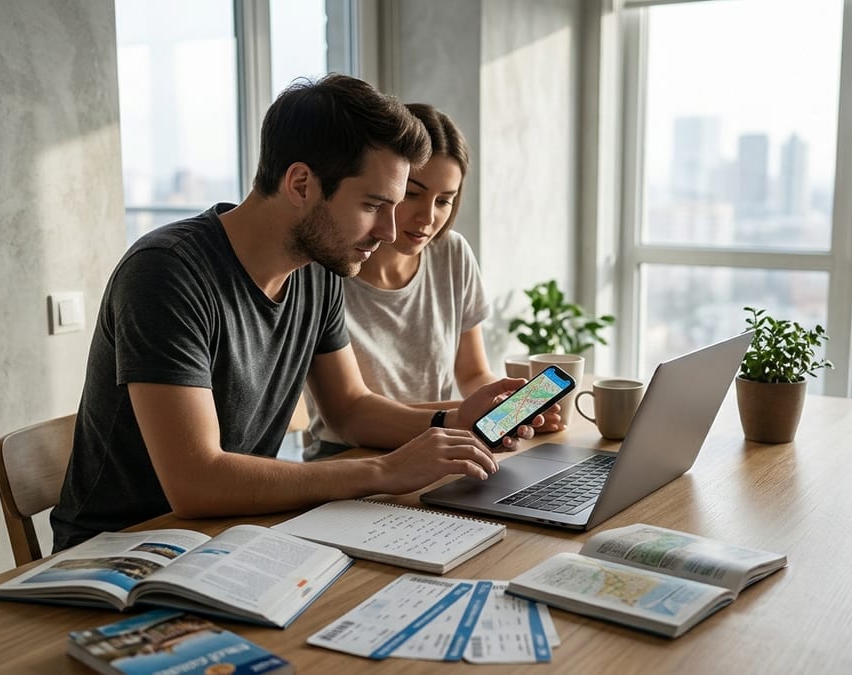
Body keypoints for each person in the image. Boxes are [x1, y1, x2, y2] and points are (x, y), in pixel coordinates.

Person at [49, 75, 547, 551]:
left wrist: (455, 420)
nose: (391, 232)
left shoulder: (319, 269)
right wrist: (382, 472)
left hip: (233, 535)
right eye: (375, 205)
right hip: (124, 550)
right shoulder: (166, 273)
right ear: (302, 183)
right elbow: (195, 483)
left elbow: (349, 410)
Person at [306, 103, 537, 458]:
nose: (428, 217)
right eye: (412, 194)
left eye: (444, 200)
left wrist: (509, 407)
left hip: (445, 445)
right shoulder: (325, 272)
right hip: (353, 455)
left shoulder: (451, 253)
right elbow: (350, 414)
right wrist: (459, 419)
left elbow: (473, 372)